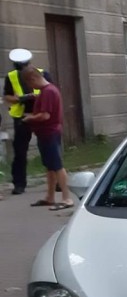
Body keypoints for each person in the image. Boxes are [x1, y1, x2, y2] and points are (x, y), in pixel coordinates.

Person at [20, 66, 73, 210]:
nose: (31, 87)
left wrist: (29, 118)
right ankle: (50, 197)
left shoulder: (48, 91)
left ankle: (67, 198)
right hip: (45, 134)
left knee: (57, 165)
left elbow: (45, 115)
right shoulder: (46, 91)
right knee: (50, 167)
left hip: (50, 133)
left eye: (29, 83)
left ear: (33, 79)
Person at [3, 48, 52, 195]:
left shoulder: (43, 74)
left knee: (48, 149)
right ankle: (19, 183)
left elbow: (51, 92)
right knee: (20, 152)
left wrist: (37, 98)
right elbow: (7, 97)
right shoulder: (11, 76)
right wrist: (20, 98)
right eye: (18, 66)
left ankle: (54, 181)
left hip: (41, 116)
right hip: (22, 118)